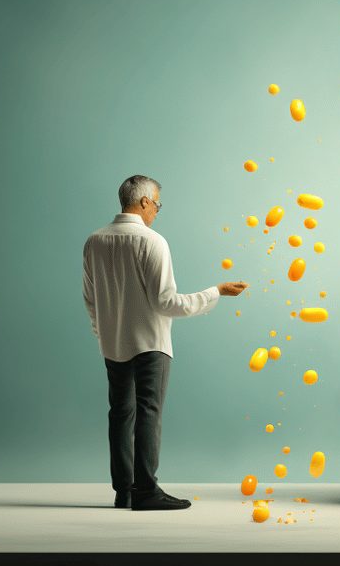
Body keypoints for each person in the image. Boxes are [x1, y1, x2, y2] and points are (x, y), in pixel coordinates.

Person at [82, 175, 248, 510]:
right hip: (150, 344)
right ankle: (146, 490)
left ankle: (124, 492)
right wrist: (215, 292)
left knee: (120, 414)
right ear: (144, 201)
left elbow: (90, 297)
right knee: (148, 412)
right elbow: (166, 303)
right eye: (157, 203)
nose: (157, 210)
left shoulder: (94, 241)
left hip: (113, 344)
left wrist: (104, 332)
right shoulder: (153, 241)